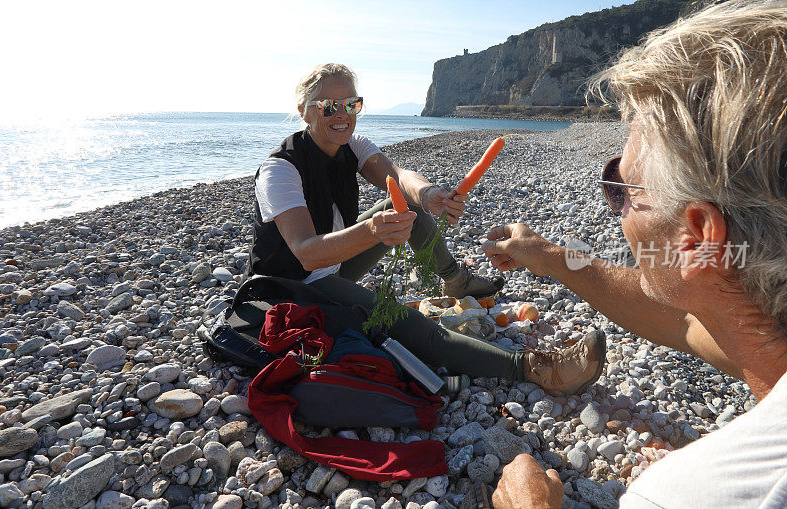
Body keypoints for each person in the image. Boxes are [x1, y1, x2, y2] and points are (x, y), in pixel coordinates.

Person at [482, 1, 787, 507]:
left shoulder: (703, 494)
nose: (615, 205)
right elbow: (685, 324)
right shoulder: (761, 330)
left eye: (620, 186)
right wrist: (545, 253)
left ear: (699, 236)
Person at [245, 62, 606, 393]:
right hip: (291, 288)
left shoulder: (350, 145)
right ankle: (536, 369)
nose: (342, 115)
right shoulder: (281, 170)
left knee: (409, 211)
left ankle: (455, 280)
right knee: (404, 321)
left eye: (351, 104)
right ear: (303, 111)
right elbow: (307, 253)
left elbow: (399, 177)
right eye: (328, 106)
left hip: (332, 266)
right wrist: (373, 231)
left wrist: (429, 194)